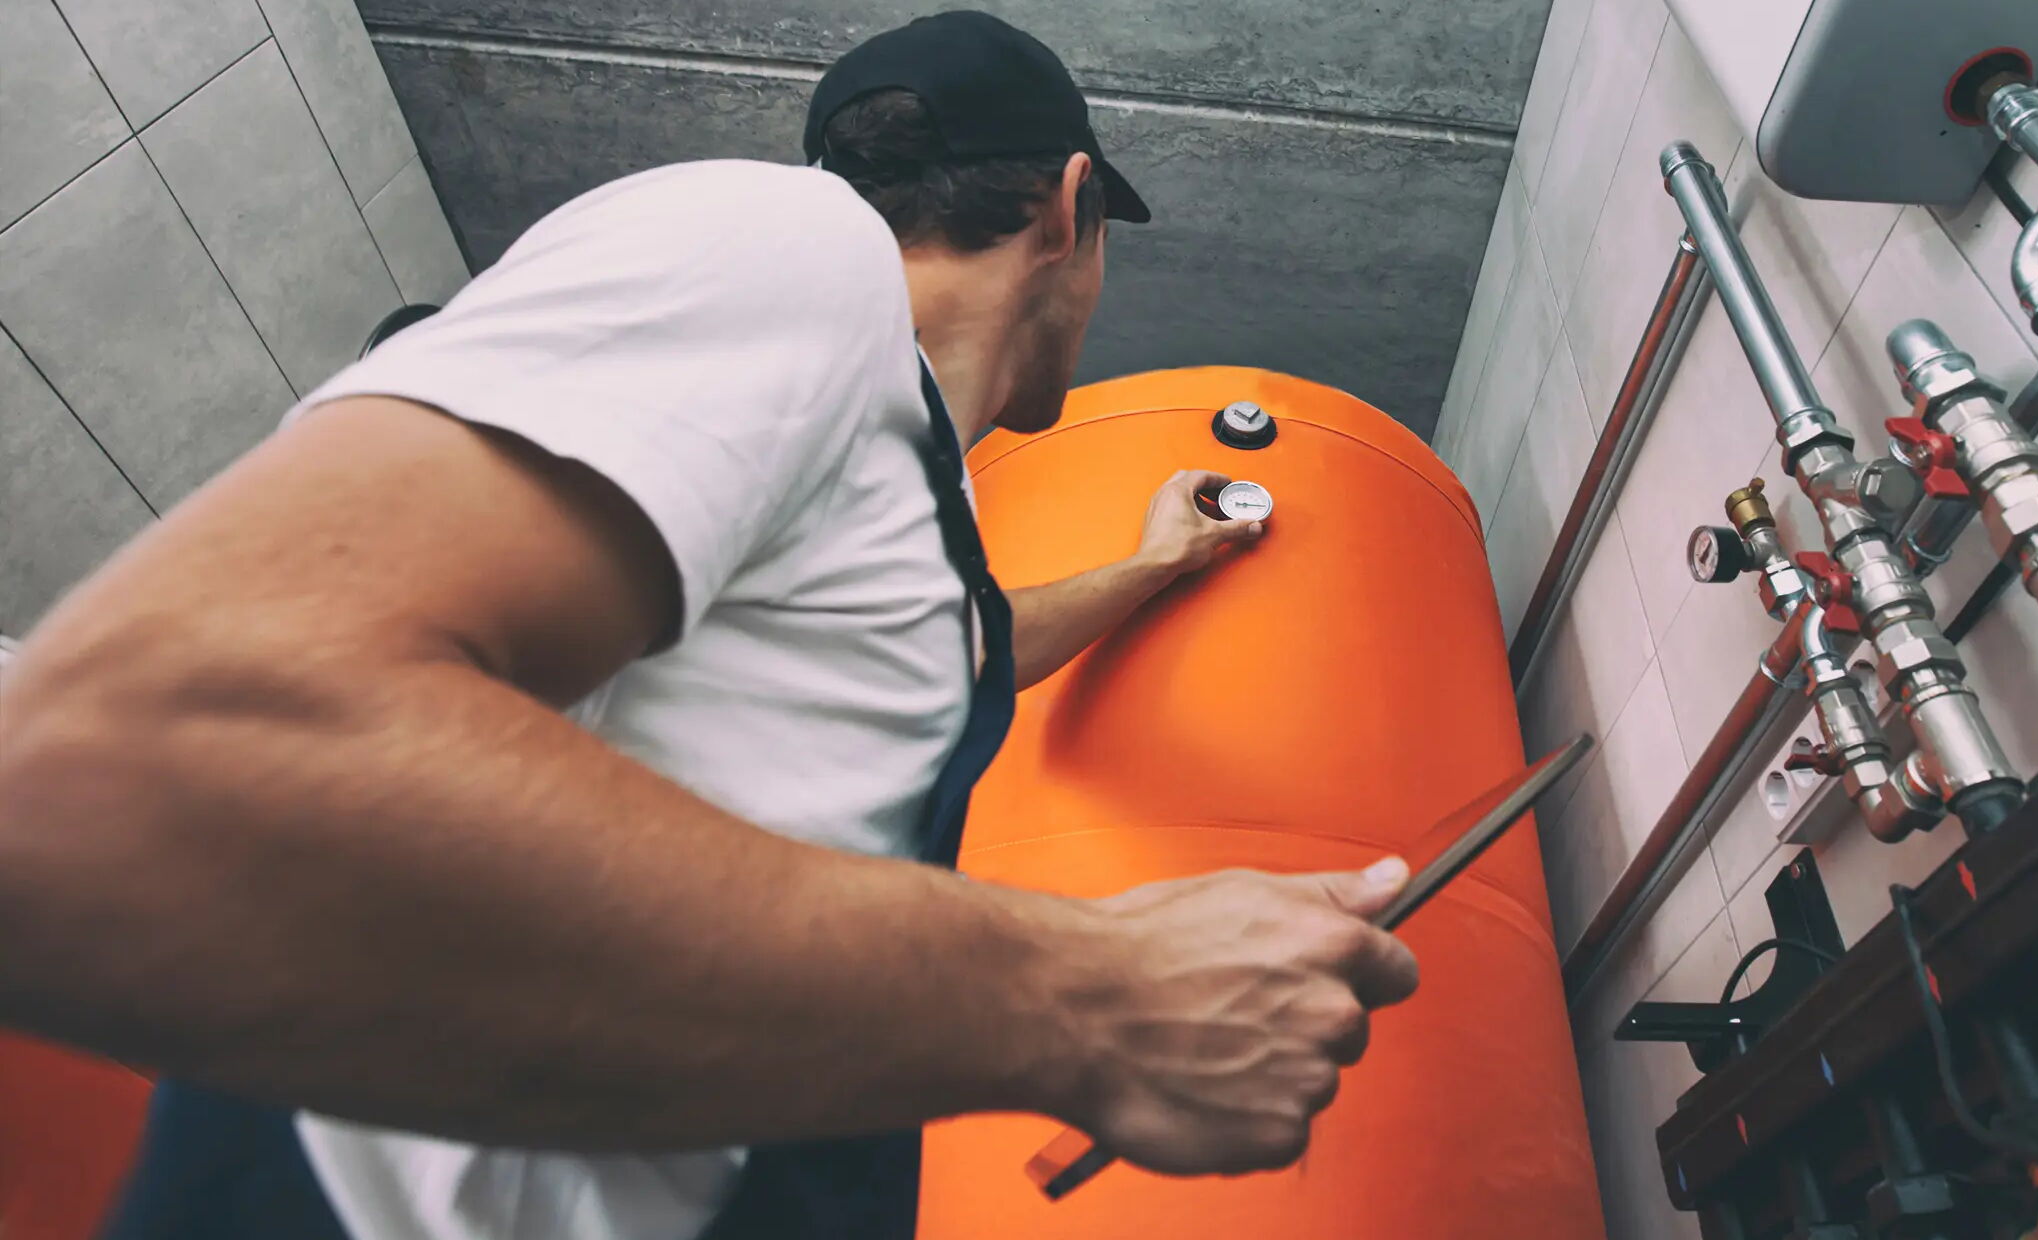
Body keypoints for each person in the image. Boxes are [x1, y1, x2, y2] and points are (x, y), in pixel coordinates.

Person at [0, 11, 1420, 1240]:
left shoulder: (892, 473)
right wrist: (1094, 1001)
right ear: (1067, 209)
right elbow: (137, 774)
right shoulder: (789, 242)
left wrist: (1155, 564)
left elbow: (972, 650)